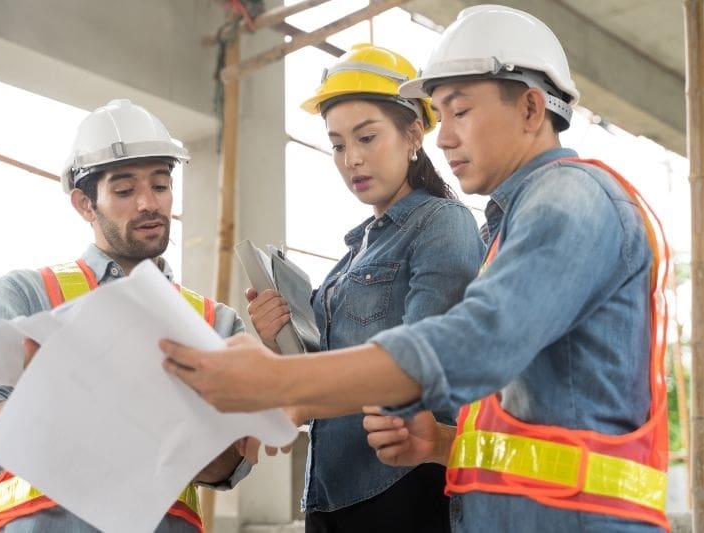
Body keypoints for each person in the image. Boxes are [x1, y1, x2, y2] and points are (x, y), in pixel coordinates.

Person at [160, 5, 670, 532]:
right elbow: (521, 422)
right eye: (441, 116)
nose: (444, 136)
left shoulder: (569, 198)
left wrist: (282, 381)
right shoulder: (508, 226)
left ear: (530, 109)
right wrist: (441, 443)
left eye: (459, 111)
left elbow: (472, 344)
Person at [0, 99, 256, 532]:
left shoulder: (216, 323)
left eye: (160, 184)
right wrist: (44, 409)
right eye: (124, 190)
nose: (148, 204)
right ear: (84, 203)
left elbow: (228, 465)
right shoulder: (26, 294)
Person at [245, 44, 483, 533]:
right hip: (331, 490)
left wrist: (297, 398)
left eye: (367, 137)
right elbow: (326, 372)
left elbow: (422, 362)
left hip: (403, 486)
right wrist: (279, 342)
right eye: (337, 144)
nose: (351, 158)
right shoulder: (354, 253)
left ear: (413, 133)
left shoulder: (444, 225)